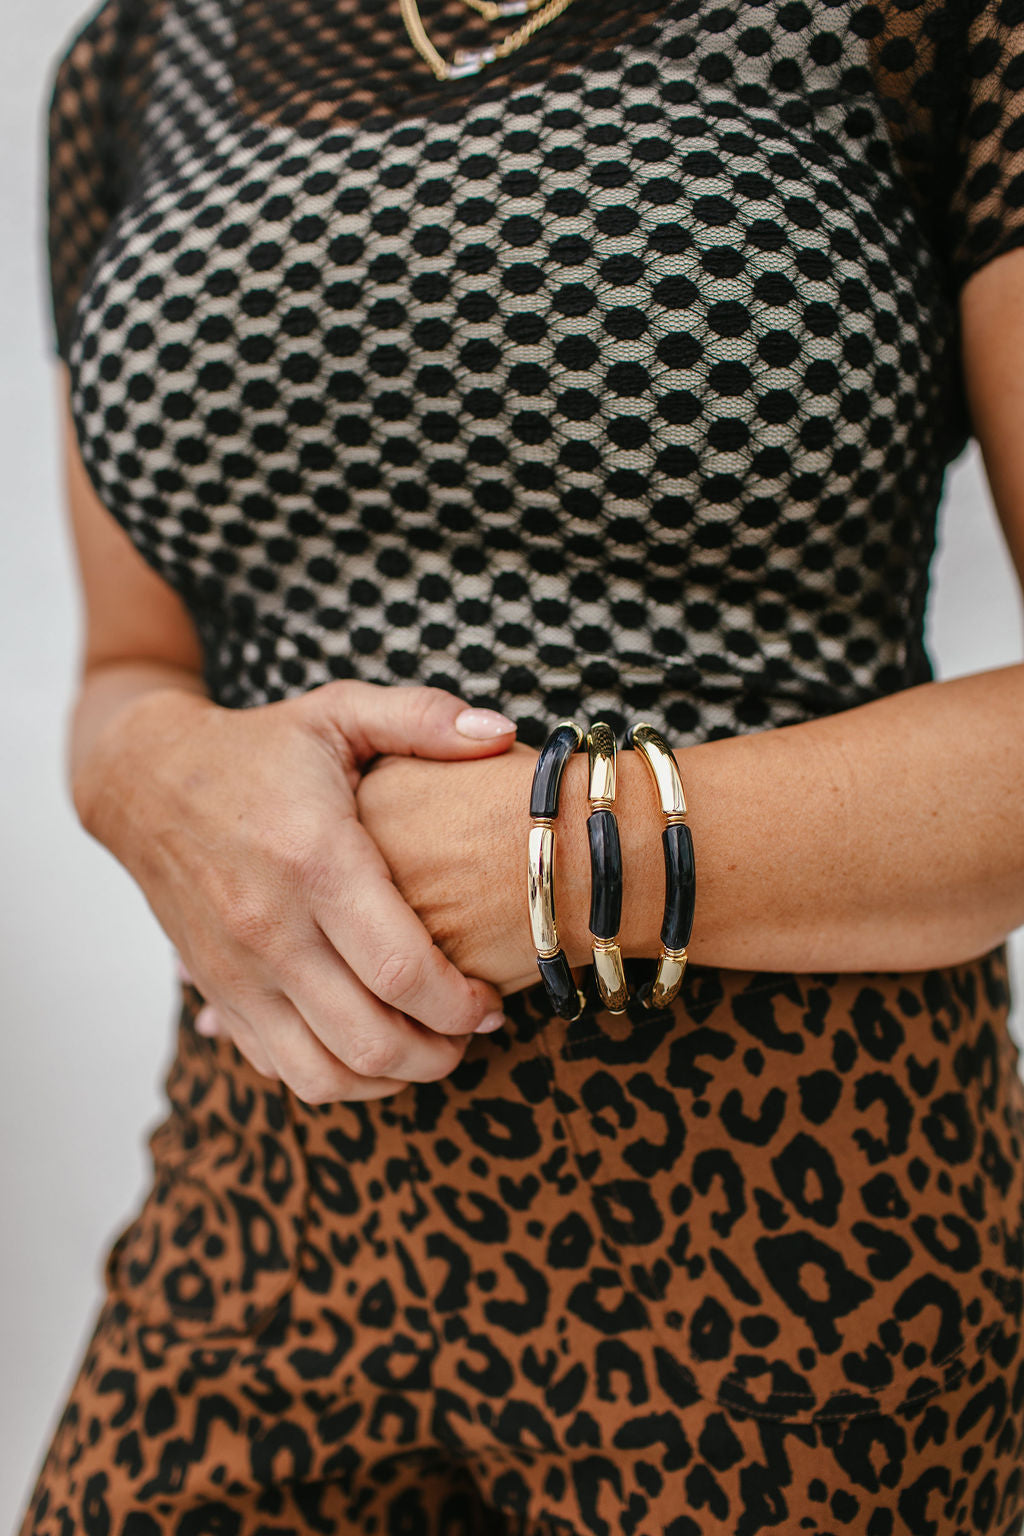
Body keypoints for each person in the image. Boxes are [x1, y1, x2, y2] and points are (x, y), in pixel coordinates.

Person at [17, 0, 1024, 1530]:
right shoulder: (136, 60)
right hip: (265, 1200)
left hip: (789, 1239)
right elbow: (130, 666)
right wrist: (147, 777)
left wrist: (559, 857)